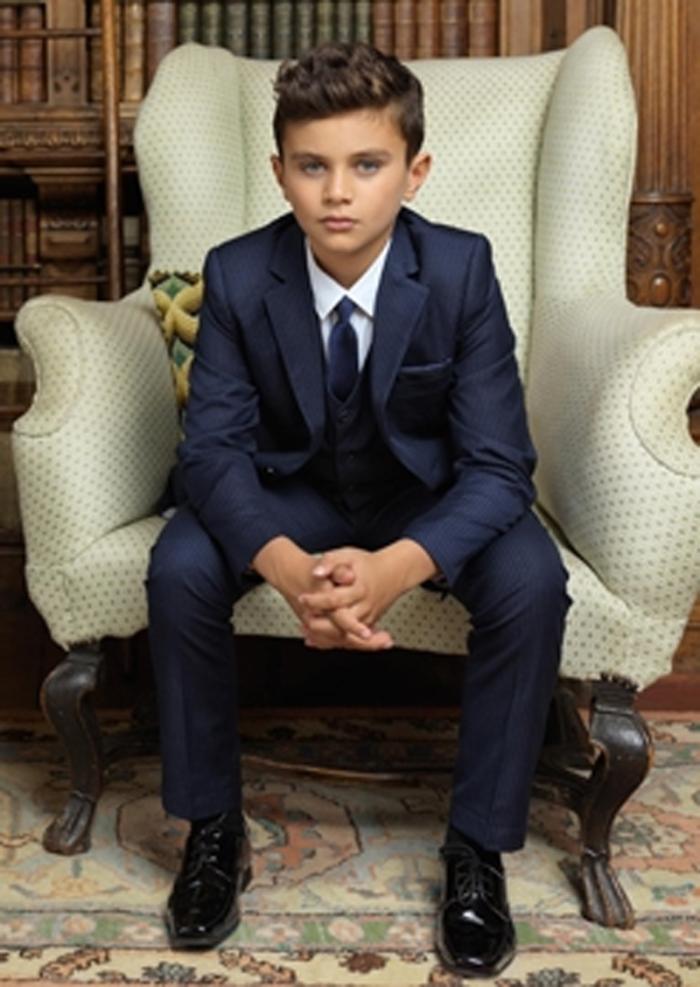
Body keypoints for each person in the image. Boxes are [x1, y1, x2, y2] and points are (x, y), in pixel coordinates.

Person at [147, 40, 570, 979]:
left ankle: (477, 847)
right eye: (313, 166)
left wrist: (395, 567)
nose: (338, 192)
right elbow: (211, 453)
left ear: (414, 173)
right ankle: (214, 831)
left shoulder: (460, 269)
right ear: (279, 173)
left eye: (367, 164)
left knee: (531, 578)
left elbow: (501, 465)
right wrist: (287, 565)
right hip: (289, 493)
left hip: (425, 499)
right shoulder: (239, 273)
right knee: (178, 565)